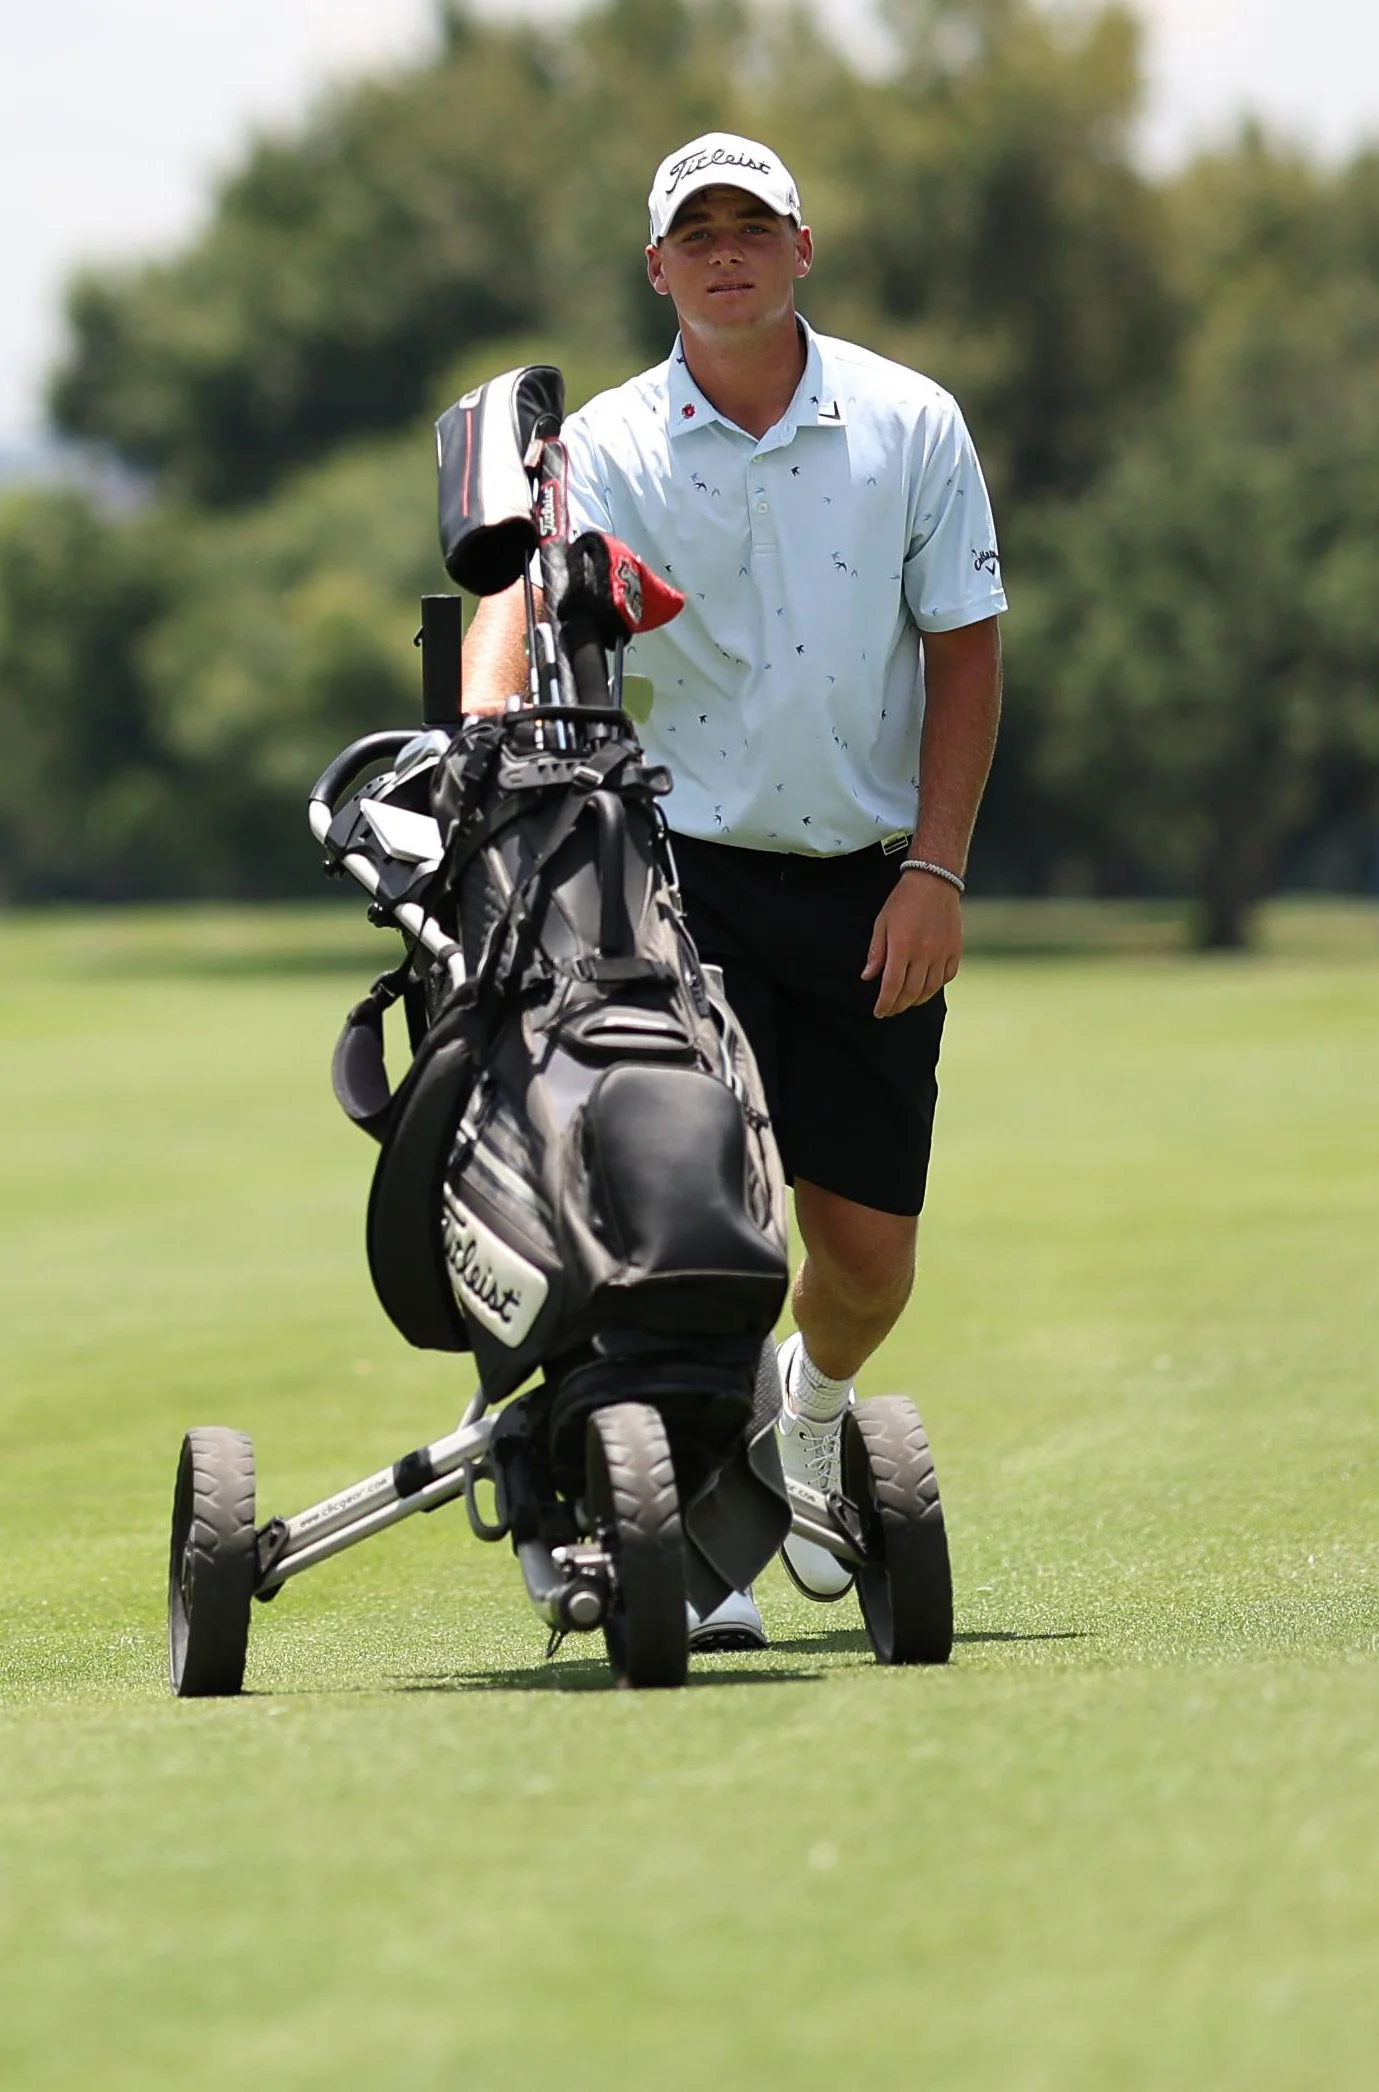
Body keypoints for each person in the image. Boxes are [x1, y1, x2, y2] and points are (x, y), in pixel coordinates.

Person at [461, 131, 1005, 1649]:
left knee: (866, 1264)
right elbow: (518, 588)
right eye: (694, 233)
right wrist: (487, 731)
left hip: (870, 885)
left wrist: (937, 869)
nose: (724, 253)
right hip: (676, 885)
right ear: (657, 268)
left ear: (799, 249)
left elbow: (965, 649)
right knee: (702, 1226)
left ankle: (806, 1411)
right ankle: (697, 1554)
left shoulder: (911, 422)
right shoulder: (609, 445)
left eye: (750, 228)